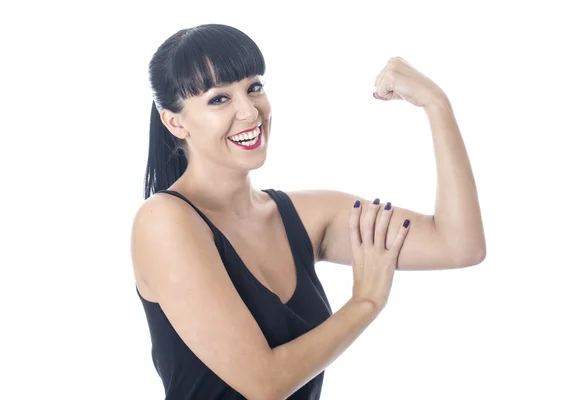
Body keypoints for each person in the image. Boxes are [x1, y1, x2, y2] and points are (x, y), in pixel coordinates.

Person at [130, 23, 486, 400]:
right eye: (220, 99)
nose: (250, 112)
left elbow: (459, 245)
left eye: (254, 87)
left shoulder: (305, 215)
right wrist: (364, 303)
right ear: (175, 121)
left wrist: (436, 104)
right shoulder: (165, 221)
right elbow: (264, 384)